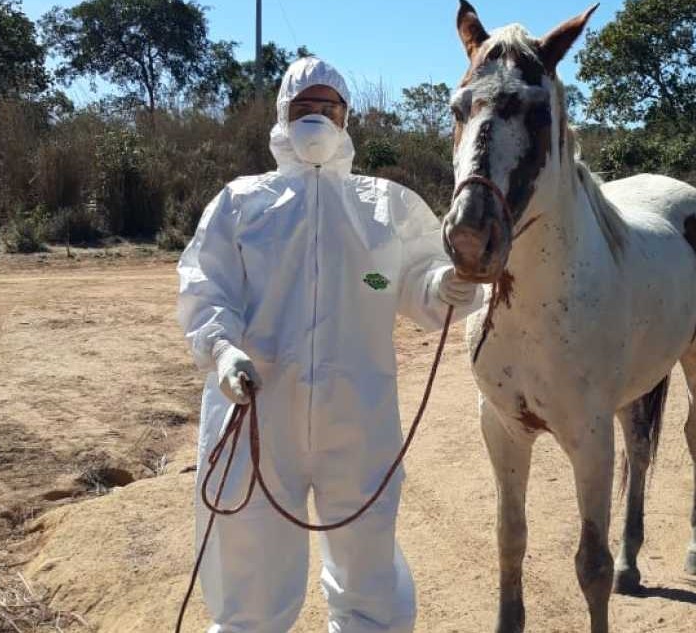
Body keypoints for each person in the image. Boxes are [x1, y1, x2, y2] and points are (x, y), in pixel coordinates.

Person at [177, 56, 482, 633]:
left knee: (367, 563)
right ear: (282, 117)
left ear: (346, 118)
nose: (316, 118)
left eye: (328, 108)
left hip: (357, 418)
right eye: (304, 108)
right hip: (259, 414)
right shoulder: (241, 204)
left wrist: (445, 283)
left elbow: (419, 280)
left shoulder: (385, 206)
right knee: (252, 565)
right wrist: (221, 350)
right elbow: (205, 286)